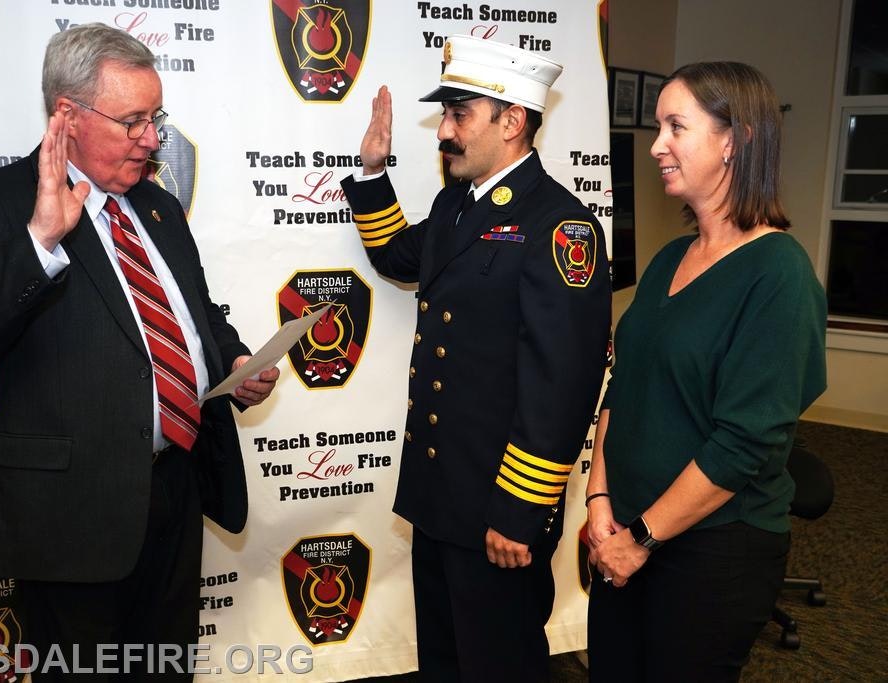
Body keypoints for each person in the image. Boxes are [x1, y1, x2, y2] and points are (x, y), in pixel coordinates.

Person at [0, 23, 279, 680]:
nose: (152, 137)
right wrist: (39, 239)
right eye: (133, 120)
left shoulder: (160, 205)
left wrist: (231, 360)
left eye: (156, 117)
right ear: (67, 115)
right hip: (71, 514)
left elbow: (192, 313)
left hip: (175, 489)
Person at [340, 35, 611, 681]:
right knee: (444, 658)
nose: (445, 131)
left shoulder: (559, 227)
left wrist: (519, 512)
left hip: (499, 508)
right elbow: (399, 258)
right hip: (443, 497)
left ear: (512, 121)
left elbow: (563, 384)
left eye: (460, 114)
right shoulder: (456, 204)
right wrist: (373, 172)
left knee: (497, 664)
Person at [585, 62, 827, 681]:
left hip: (713, 551)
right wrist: (599, 496)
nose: (657, 144)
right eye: (658, 126)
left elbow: (744, 442)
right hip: (624, 530)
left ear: (734, 140)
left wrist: (639, 539)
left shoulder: (779, 274)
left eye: (675, 126)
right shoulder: (670, 259)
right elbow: (624, 385)